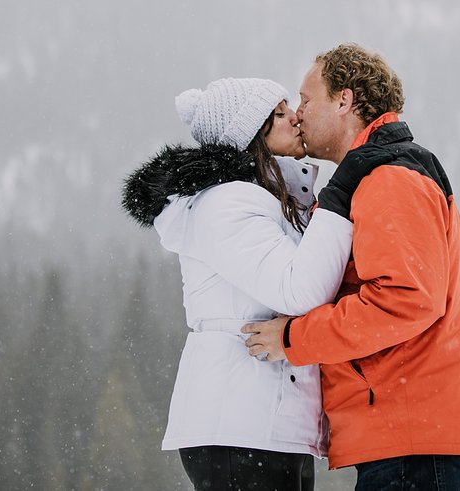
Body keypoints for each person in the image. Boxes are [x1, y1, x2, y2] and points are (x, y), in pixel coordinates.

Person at [243, 44, 460, 490]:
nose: (298, 114)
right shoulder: (384, 172)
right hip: (415, 433)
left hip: (416, 439)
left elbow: (403, 301)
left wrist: (294, 338)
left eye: (307, 100)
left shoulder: (389, 178)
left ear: (344, 100)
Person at [121, 76, 386, 491]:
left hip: (267, 424)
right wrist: (341, 194)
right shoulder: (228, 204)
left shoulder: (265, 201)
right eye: (280, 114)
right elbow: (299, 290)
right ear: (251, 136)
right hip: (240, 421)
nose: (296, 118)